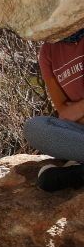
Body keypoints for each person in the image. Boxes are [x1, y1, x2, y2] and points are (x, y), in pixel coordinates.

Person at [24, 27, 84, 192]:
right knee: (35, 128)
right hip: (80, 131)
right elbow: (63, 112)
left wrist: (77, 109)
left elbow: (70, 112)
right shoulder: (48, 52)